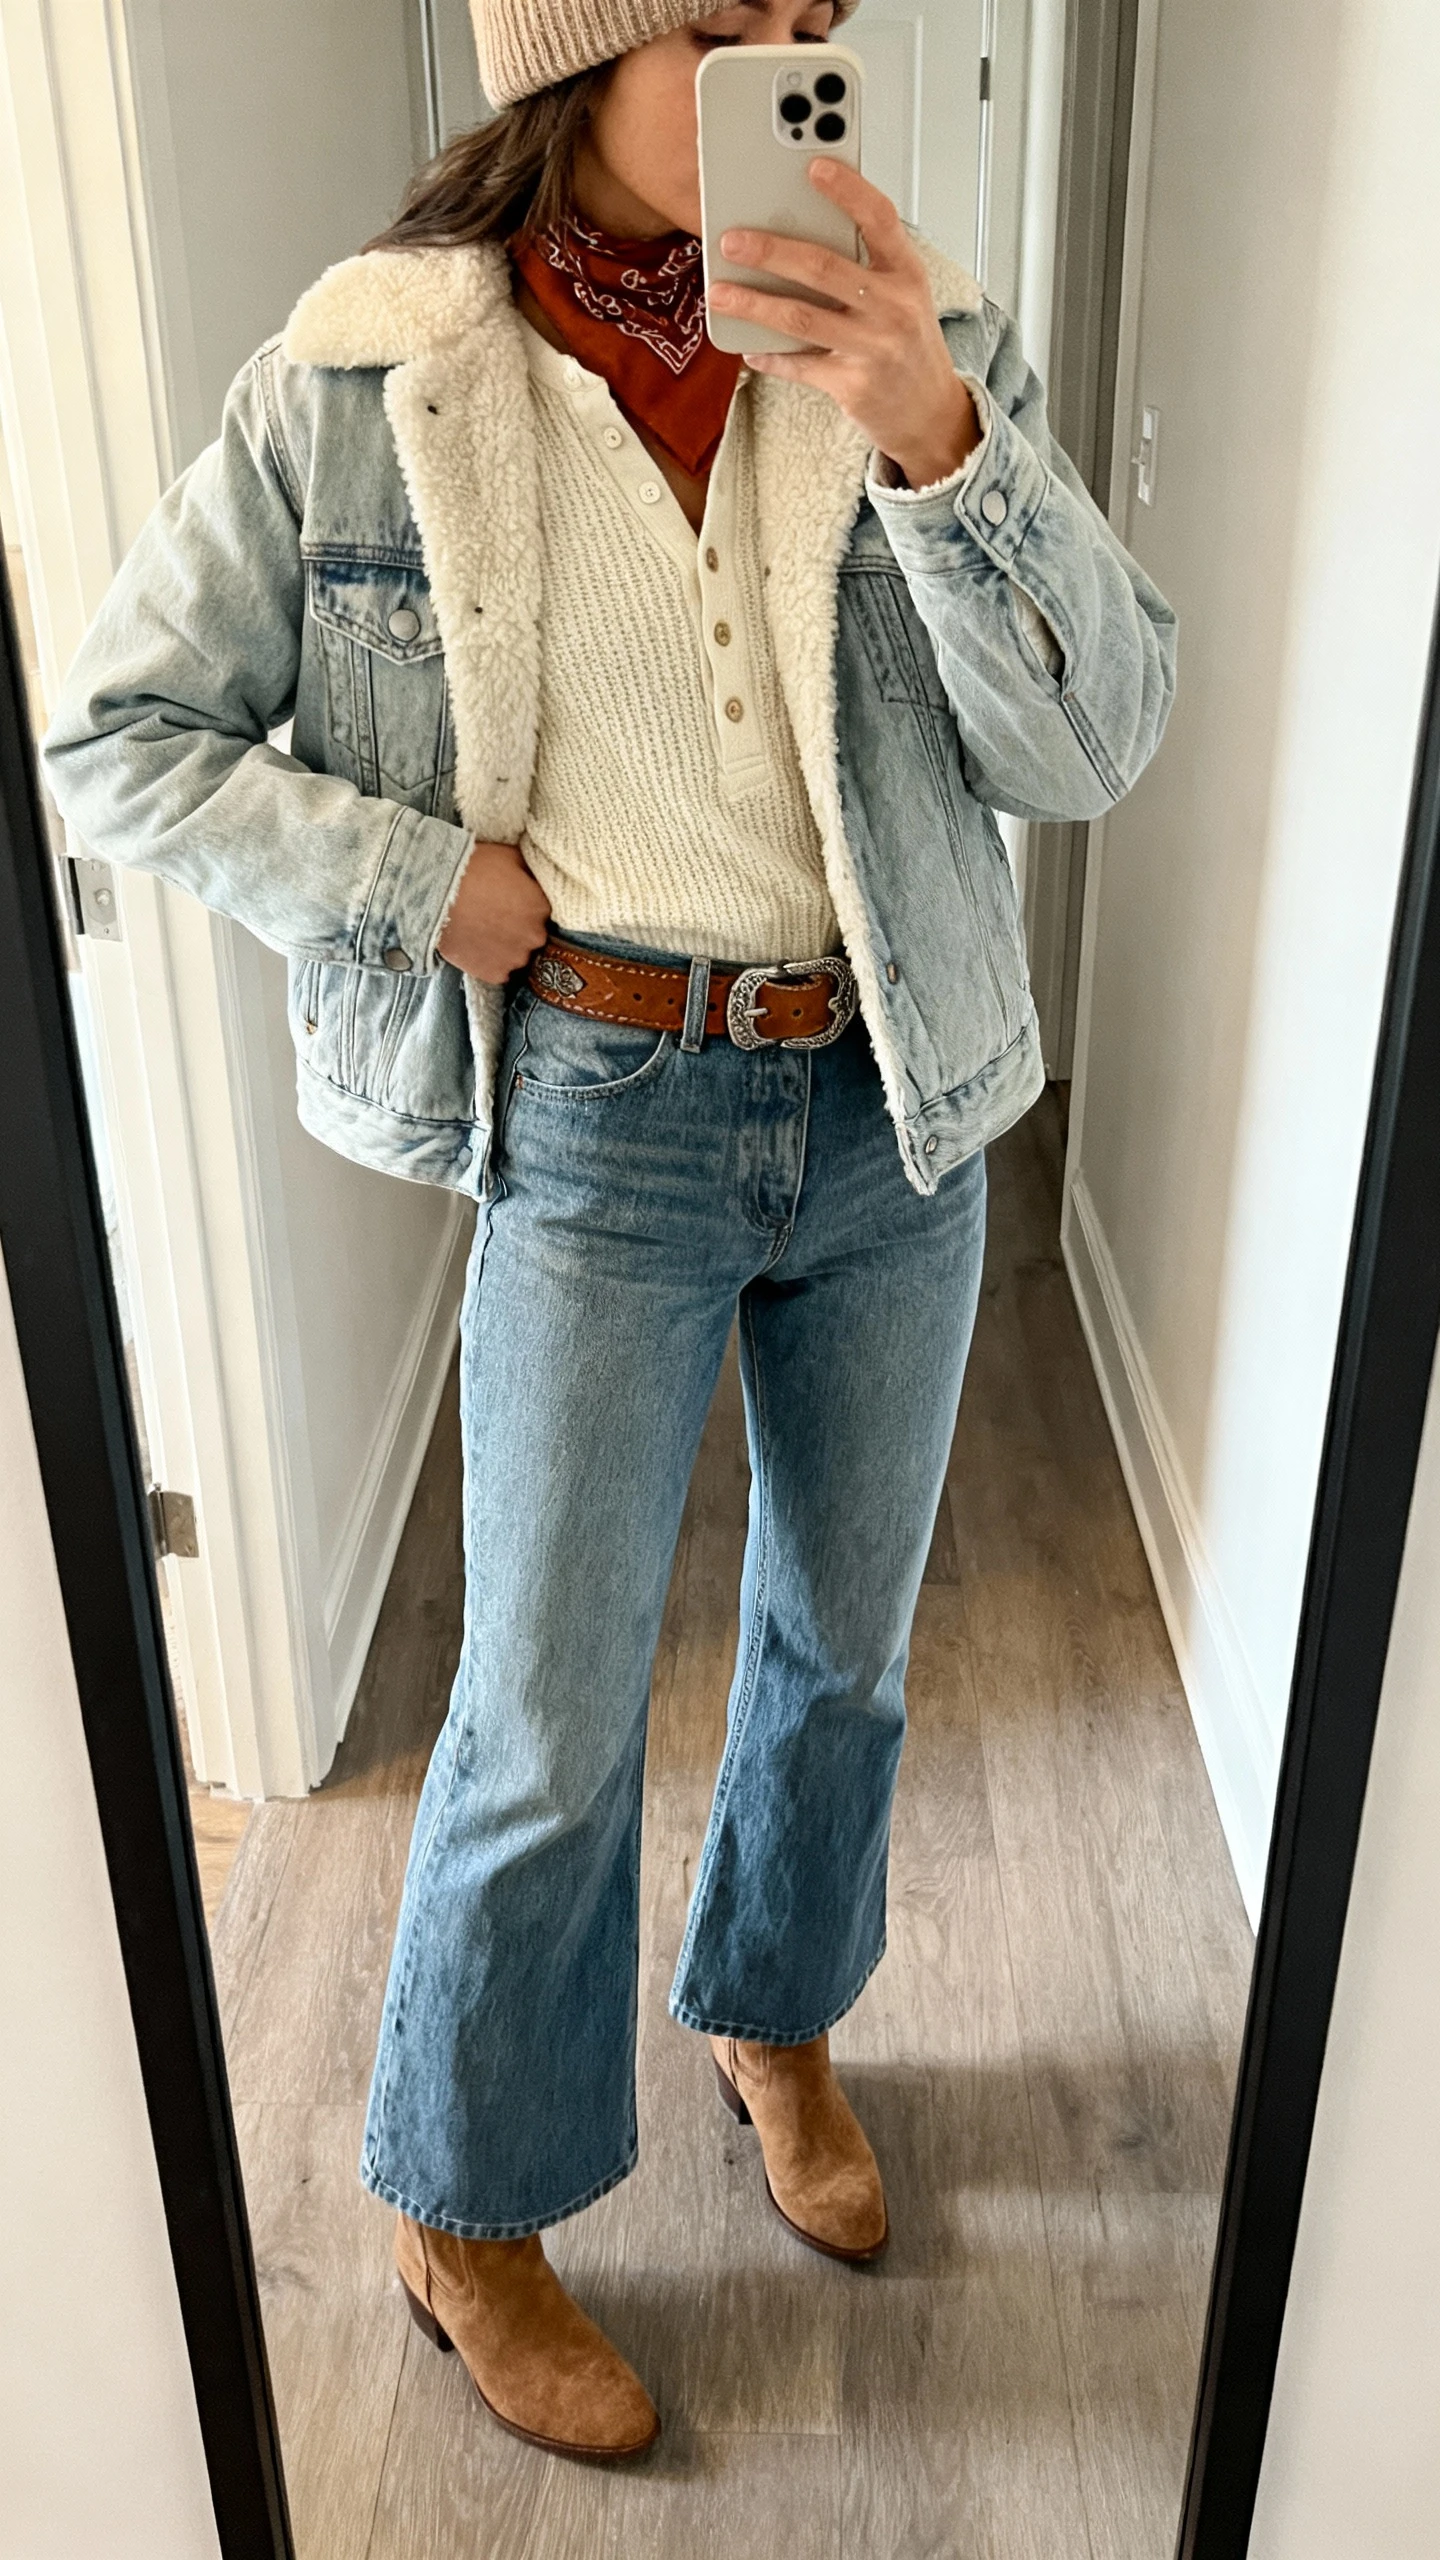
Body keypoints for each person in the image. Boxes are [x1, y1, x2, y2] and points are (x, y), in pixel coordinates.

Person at [43, 0, 1176, 2466]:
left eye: (820, 23)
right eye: (732, 23)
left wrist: (938, 441)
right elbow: (114, 727)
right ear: (581, 48)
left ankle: (777, 2010)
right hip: (600, 1102)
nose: (800, 61)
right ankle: (469, 2210)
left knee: (843, 1644)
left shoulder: (915, 328)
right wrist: (412, 878)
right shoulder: (372, 375)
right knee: (540, 1717)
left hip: (892, 1097)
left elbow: (1097, 743)